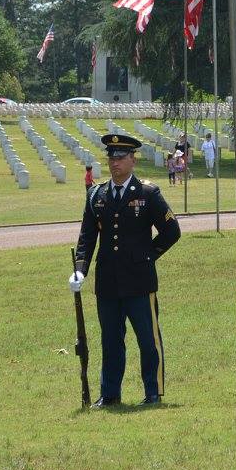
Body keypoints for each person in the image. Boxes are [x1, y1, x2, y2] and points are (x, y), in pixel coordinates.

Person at [69, 133, 181, 407]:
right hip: (108, 282)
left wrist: (148, 257)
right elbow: (86, 237)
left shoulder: (147, 193)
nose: (114, 162)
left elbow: (171, 231)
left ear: (133, 160)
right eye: (111, 157)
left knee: (148, 340)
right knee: (111, 341)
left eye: (120, 157)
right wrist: (80, 269)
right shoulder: (97, 195)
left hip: (139, 282)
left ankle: (152, 392)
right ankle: (110, 394)